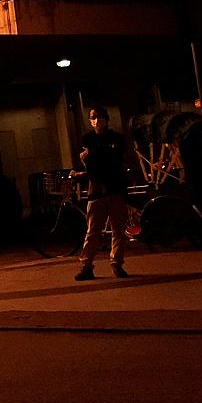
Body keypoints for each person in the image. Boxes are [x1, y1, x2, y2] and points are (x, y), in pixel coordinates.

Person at [76, 106, 132, 280]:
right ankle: (86, 266)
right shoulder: (88, 138)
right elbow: (93, 162)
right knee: (93, 231)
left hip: (115, 189)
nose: (97, 121)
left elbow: (114, 159)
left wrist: (93, 156)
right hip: (96, 191)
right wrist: (96, 157)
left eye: (100, 117)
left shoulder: (117, 138)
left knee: (119, 230)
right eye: (93, 117)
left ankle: (117, 263)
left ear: (107, 119)